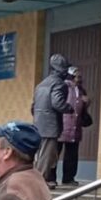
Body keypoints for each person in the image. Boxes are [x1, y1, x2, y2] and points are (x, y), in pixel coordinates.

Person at [32, 53, 72, 187]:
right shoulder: (59, 84)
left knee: (40, 154)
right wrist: (69, 108)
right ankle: (40, 181)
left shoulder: (41, 84)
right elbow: (57, 103)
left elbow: (33, 106)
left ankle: (39, 179)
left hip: (38, 123)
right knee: (47, 155)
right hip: (50, 125)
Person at [58, 65, 91, 187]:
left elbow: (82, 108)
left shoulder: (81, 90)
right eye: (77, 75)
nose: (80, 78)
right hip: (62, 125)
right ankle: (50, 178)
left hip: (75, 126)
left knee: (72, 154)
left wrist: (87, 103)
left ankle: (69, 178)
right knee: (55, 152)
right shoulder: (63, 86)